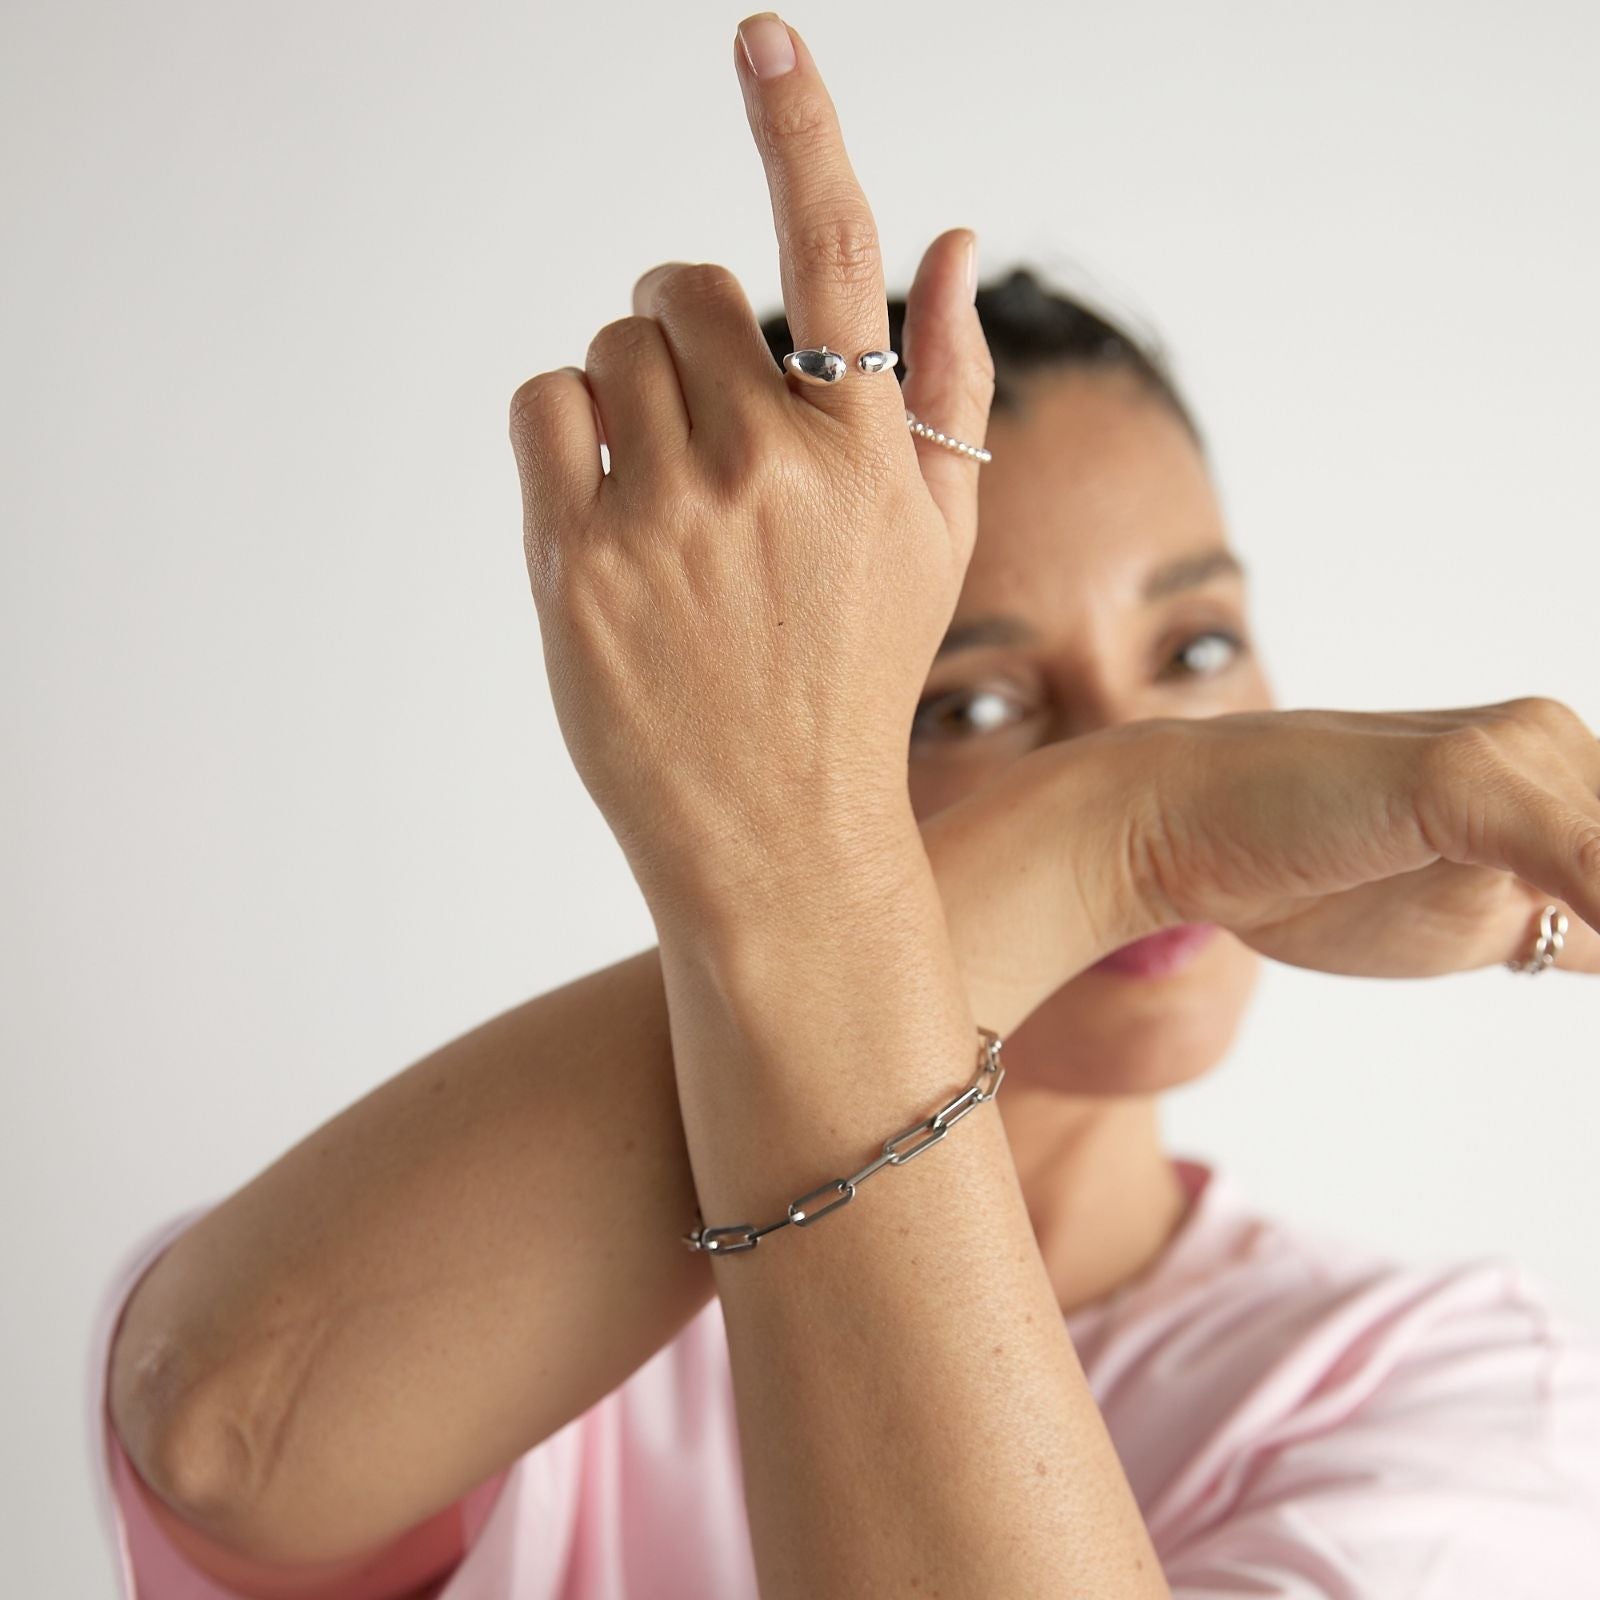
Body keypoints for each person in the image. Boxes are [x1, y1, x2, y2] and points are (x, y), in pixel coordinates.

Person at [89, 13, 1600, 1600]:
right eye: (977, 706)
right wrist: (1125, 832)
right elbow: (221, 1431)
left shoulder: (1440, 1387)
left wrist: (1111, 836)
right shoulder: (556, 1331)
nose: (1137, 738)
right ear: (795, 738)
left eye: (1197, 649)